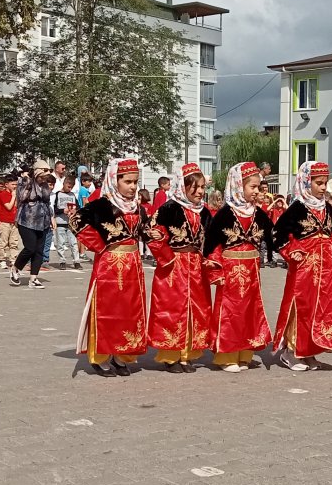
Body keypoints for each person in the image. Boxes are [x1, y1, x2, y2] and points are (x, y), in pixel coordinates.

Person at [74, 158, 149, 377]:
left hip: (133, 267)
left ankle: (121, 354)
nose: (133, 187)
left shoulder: (137, 207)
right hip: (109, 267)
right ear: (114, 180)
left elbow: (144, 231)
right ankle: (101, 356)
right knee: (108, 311)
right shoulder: (102, 204)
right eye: (128, 182)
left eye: (135, 182)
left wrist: (154, 235)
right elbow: (76, 221)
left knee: (128, 311)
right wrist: (99, 245)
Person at [272, 161, 332, 371]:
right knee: (302, 308)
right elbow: (278, 234)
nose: (323, 187)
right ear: (306, 182)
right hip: (304, 268)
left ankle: (310, 351)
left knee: (321, 309)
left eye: (325, 183)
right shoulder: (297, 208)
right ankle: (291, 351)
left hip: (325, 269)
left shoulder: (327, 208)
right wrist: (293, 250)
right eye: (318, 183)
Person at [203, 162, 275, 373]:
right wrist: (216, 271)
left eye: (257, 187)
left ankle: (245, 353)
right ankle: (226, 356)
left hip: (252, 270)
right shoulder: (225, 214)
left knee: (250, 310)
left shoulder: (258, 214)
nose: (256, 192)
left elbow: (273, 236)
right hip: (231, 270)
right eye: (252, 187)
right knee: (230, 311)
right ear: (237, 186)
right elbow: (211, 244)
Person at [146, 163, 212, 373]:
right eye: (196, 187)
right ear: (183, 186)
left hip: (196, 265)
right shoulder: (169, 208)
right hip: (173, 266)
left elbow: (212, 238)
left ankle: (188, 354)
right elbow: (153, 233)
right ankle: (170, 355)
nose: (201, 191)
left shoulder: (204, 211)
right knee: (172, 309)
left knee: (197, 309)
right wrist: (166, 256)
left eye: (202, 187)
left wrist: (211, 259)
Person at [10, 162, 54, 288]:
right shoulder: (25, 182)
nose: (46, 176)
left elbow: (47, 202)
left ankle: (33, 278)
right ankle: (15, 268)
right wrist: (28, 182)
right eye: (43, 172)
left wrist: (52, 217)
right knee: (30, 248)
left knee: (39, 251)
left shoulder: (45, 185)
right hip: (26, 220)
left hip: (43, 221)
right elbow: (21, 197)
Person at [52, 175, 81, 269]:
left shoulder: (72, 195)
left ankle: (76, 261)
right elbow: (54, 209)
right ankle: (62, 261)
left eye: (71, 187)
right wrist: (62, 211)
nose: (70, 189)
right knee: (61, 243)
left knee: (74, 243)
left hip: (70, 223)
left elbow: (78, 207)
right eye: (68, 186)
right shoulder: (57, 194)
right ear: (64, 184)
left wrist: (75, 211)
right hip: (60, 222)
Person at [0, 175, 19, 269]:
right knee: (3, 242)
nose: (15, 186)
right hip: (5, 222)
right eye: (13, 184)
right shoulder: (3, 194)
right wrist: (13, 197)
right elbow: (8, 207)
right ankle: (2, 259)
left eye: (16, 184)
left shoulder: (16, 194)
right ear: (6, 184)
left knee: (14, 242)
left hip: (14, 222)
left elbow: (16, 206)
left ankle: (13, 259)